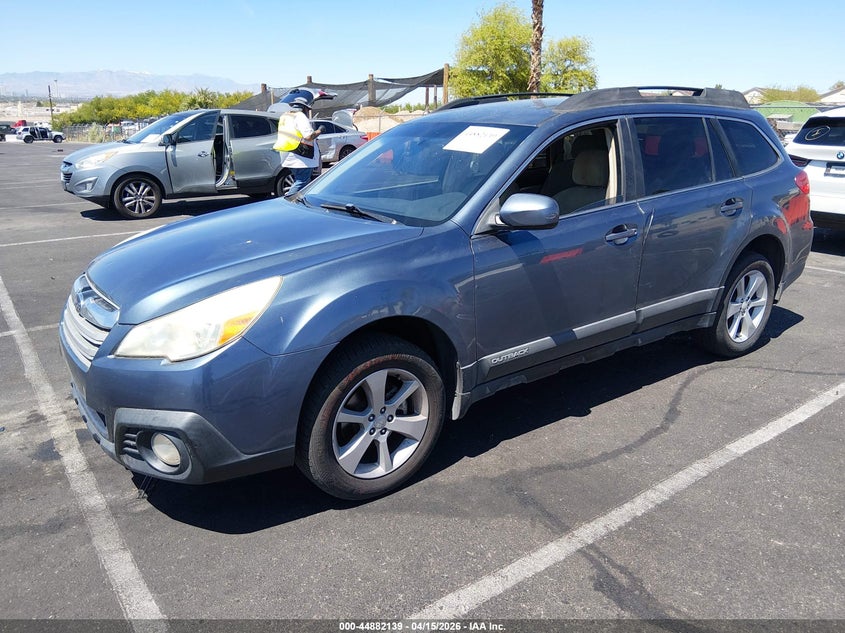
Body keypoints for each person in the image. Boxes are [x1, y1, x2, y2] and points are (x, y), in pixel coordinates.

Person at [277, 96, 323, 196]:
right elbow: (309, 136)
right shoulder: (300, 116)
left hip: (287, 154)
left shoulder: (285, 116)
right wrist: (320, 131)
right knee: (302, 182)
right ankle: (288, 202)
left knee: (301, 181)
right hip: (301, 157)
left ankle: (299, 202)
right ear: (304, 108)